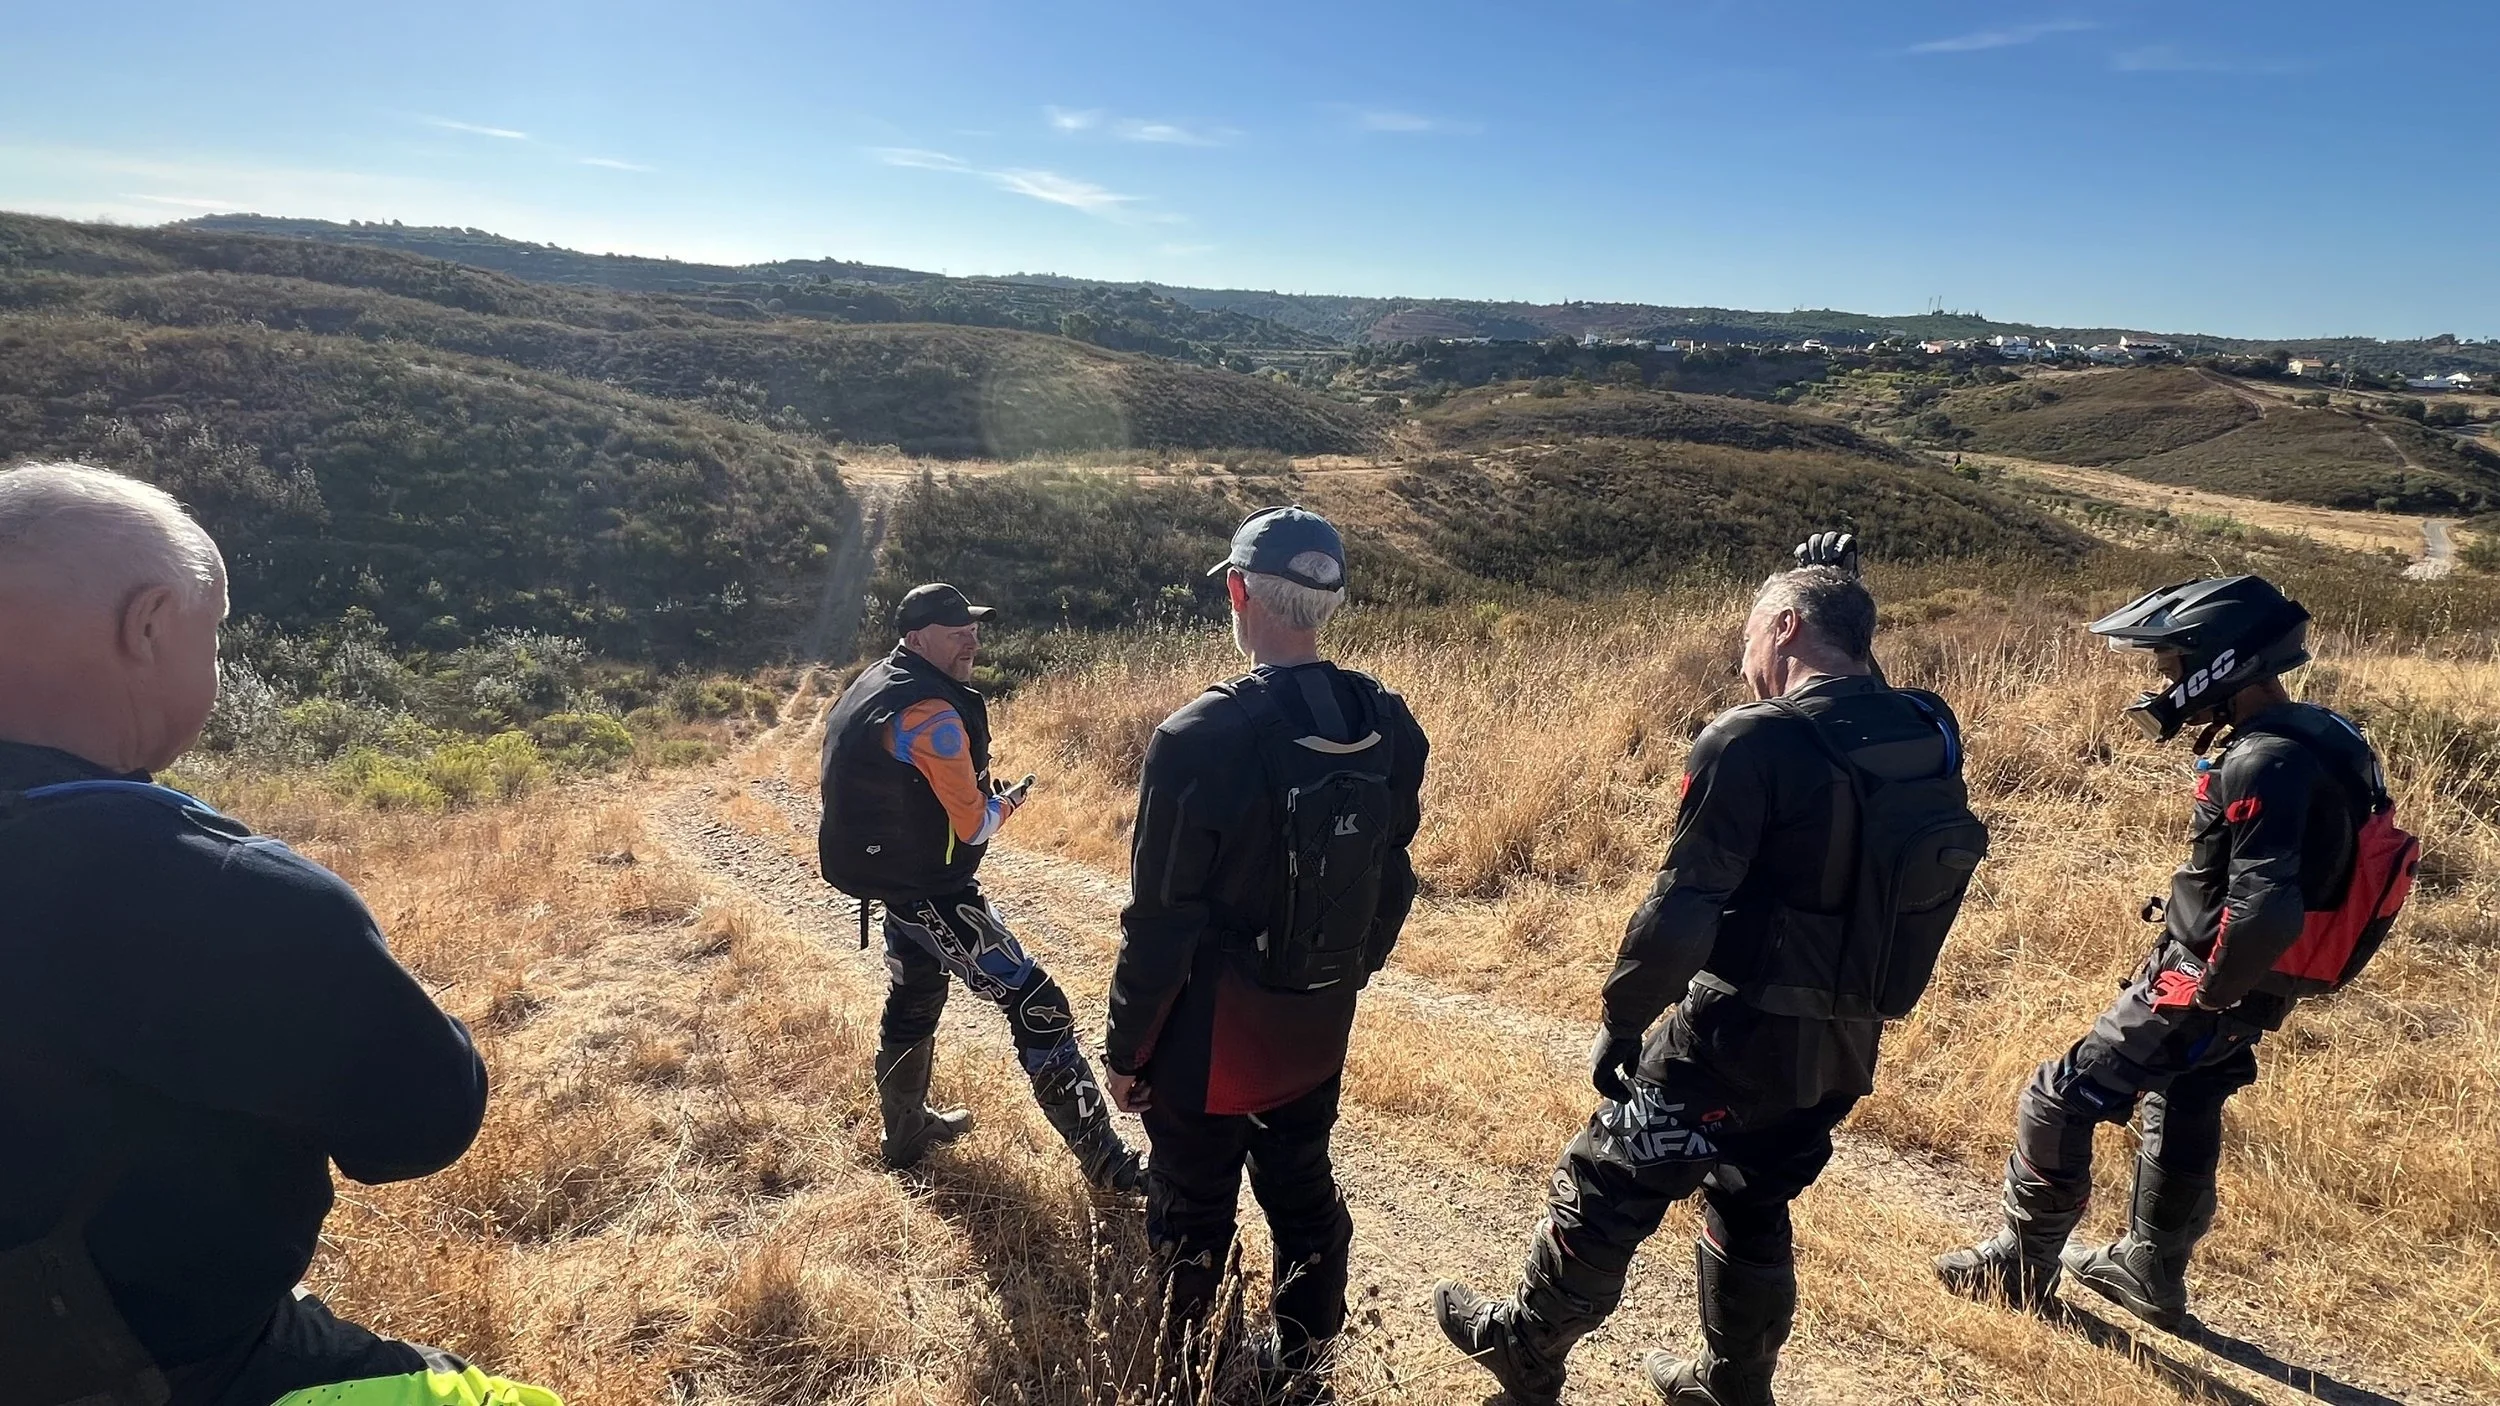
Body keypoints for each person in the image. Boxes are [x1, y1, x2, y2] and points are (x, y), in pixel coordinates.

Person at [0, 463, 554, 1406]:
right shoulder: (225, 893)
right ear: (148, 625)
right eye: (211, 634)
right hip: (170, 1367)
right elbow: (420, 1126)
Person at [1435, 538, 1986, 1406]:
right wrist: (1848, 596)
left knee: (1609, 1176)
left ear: (1788, 626)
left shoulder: (1752, 741)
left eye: (1752, 631)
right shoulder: (1928, 726)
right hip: (1846, 1037)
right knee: (1752, 1196)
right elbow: (1857, 724)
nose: (1743, 658)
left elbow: (1684, 905)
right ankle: (1732, 1386)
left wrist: (1625, 1017)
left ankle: (1526, 1350)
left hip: (1736, 1032)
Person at [1937, 576, 2409, 1332]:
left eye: (2171, 663)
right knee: (2185, 1095)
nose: (2164, 679)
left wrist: (2209, 992)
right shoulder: (2325, 734)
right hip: (2265, 976)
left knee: (2059, 1097)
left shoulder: (2261, 761)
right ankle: (2150, 1267)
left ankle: (2021, 1267)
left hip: (2211, 972)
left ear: (2220, 663)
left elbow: (2266, 903)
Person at [1102, 507, 1429, 1400]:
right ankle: (1306, 1362)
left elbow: (1159, 922)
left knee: (1192, 1212)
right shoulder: (1389, 721)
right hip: (1317, 1017)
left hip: (1211, 1040)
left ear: (1239, 593)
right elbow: (1392, 871)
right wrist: (1346, 974)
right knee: (1302, 1184)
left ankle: (1188, 1377)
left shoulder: (1195, 738)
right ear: (1328, 600)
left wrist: (1127, 1053)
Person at [818, 582, 1142, 1191]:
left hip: (894, 873)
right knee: (1035, 1001)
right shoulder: (932, 714)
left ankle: (906, 1130)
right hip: (929, 888)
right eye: (954, 628)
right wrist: (1007, 805)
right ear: (917, 638)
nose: (971, 636)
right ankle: (1108, 1164)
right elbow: (973, 822)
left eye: (972, 624)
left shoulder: (882, 680)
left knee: (916, 993)